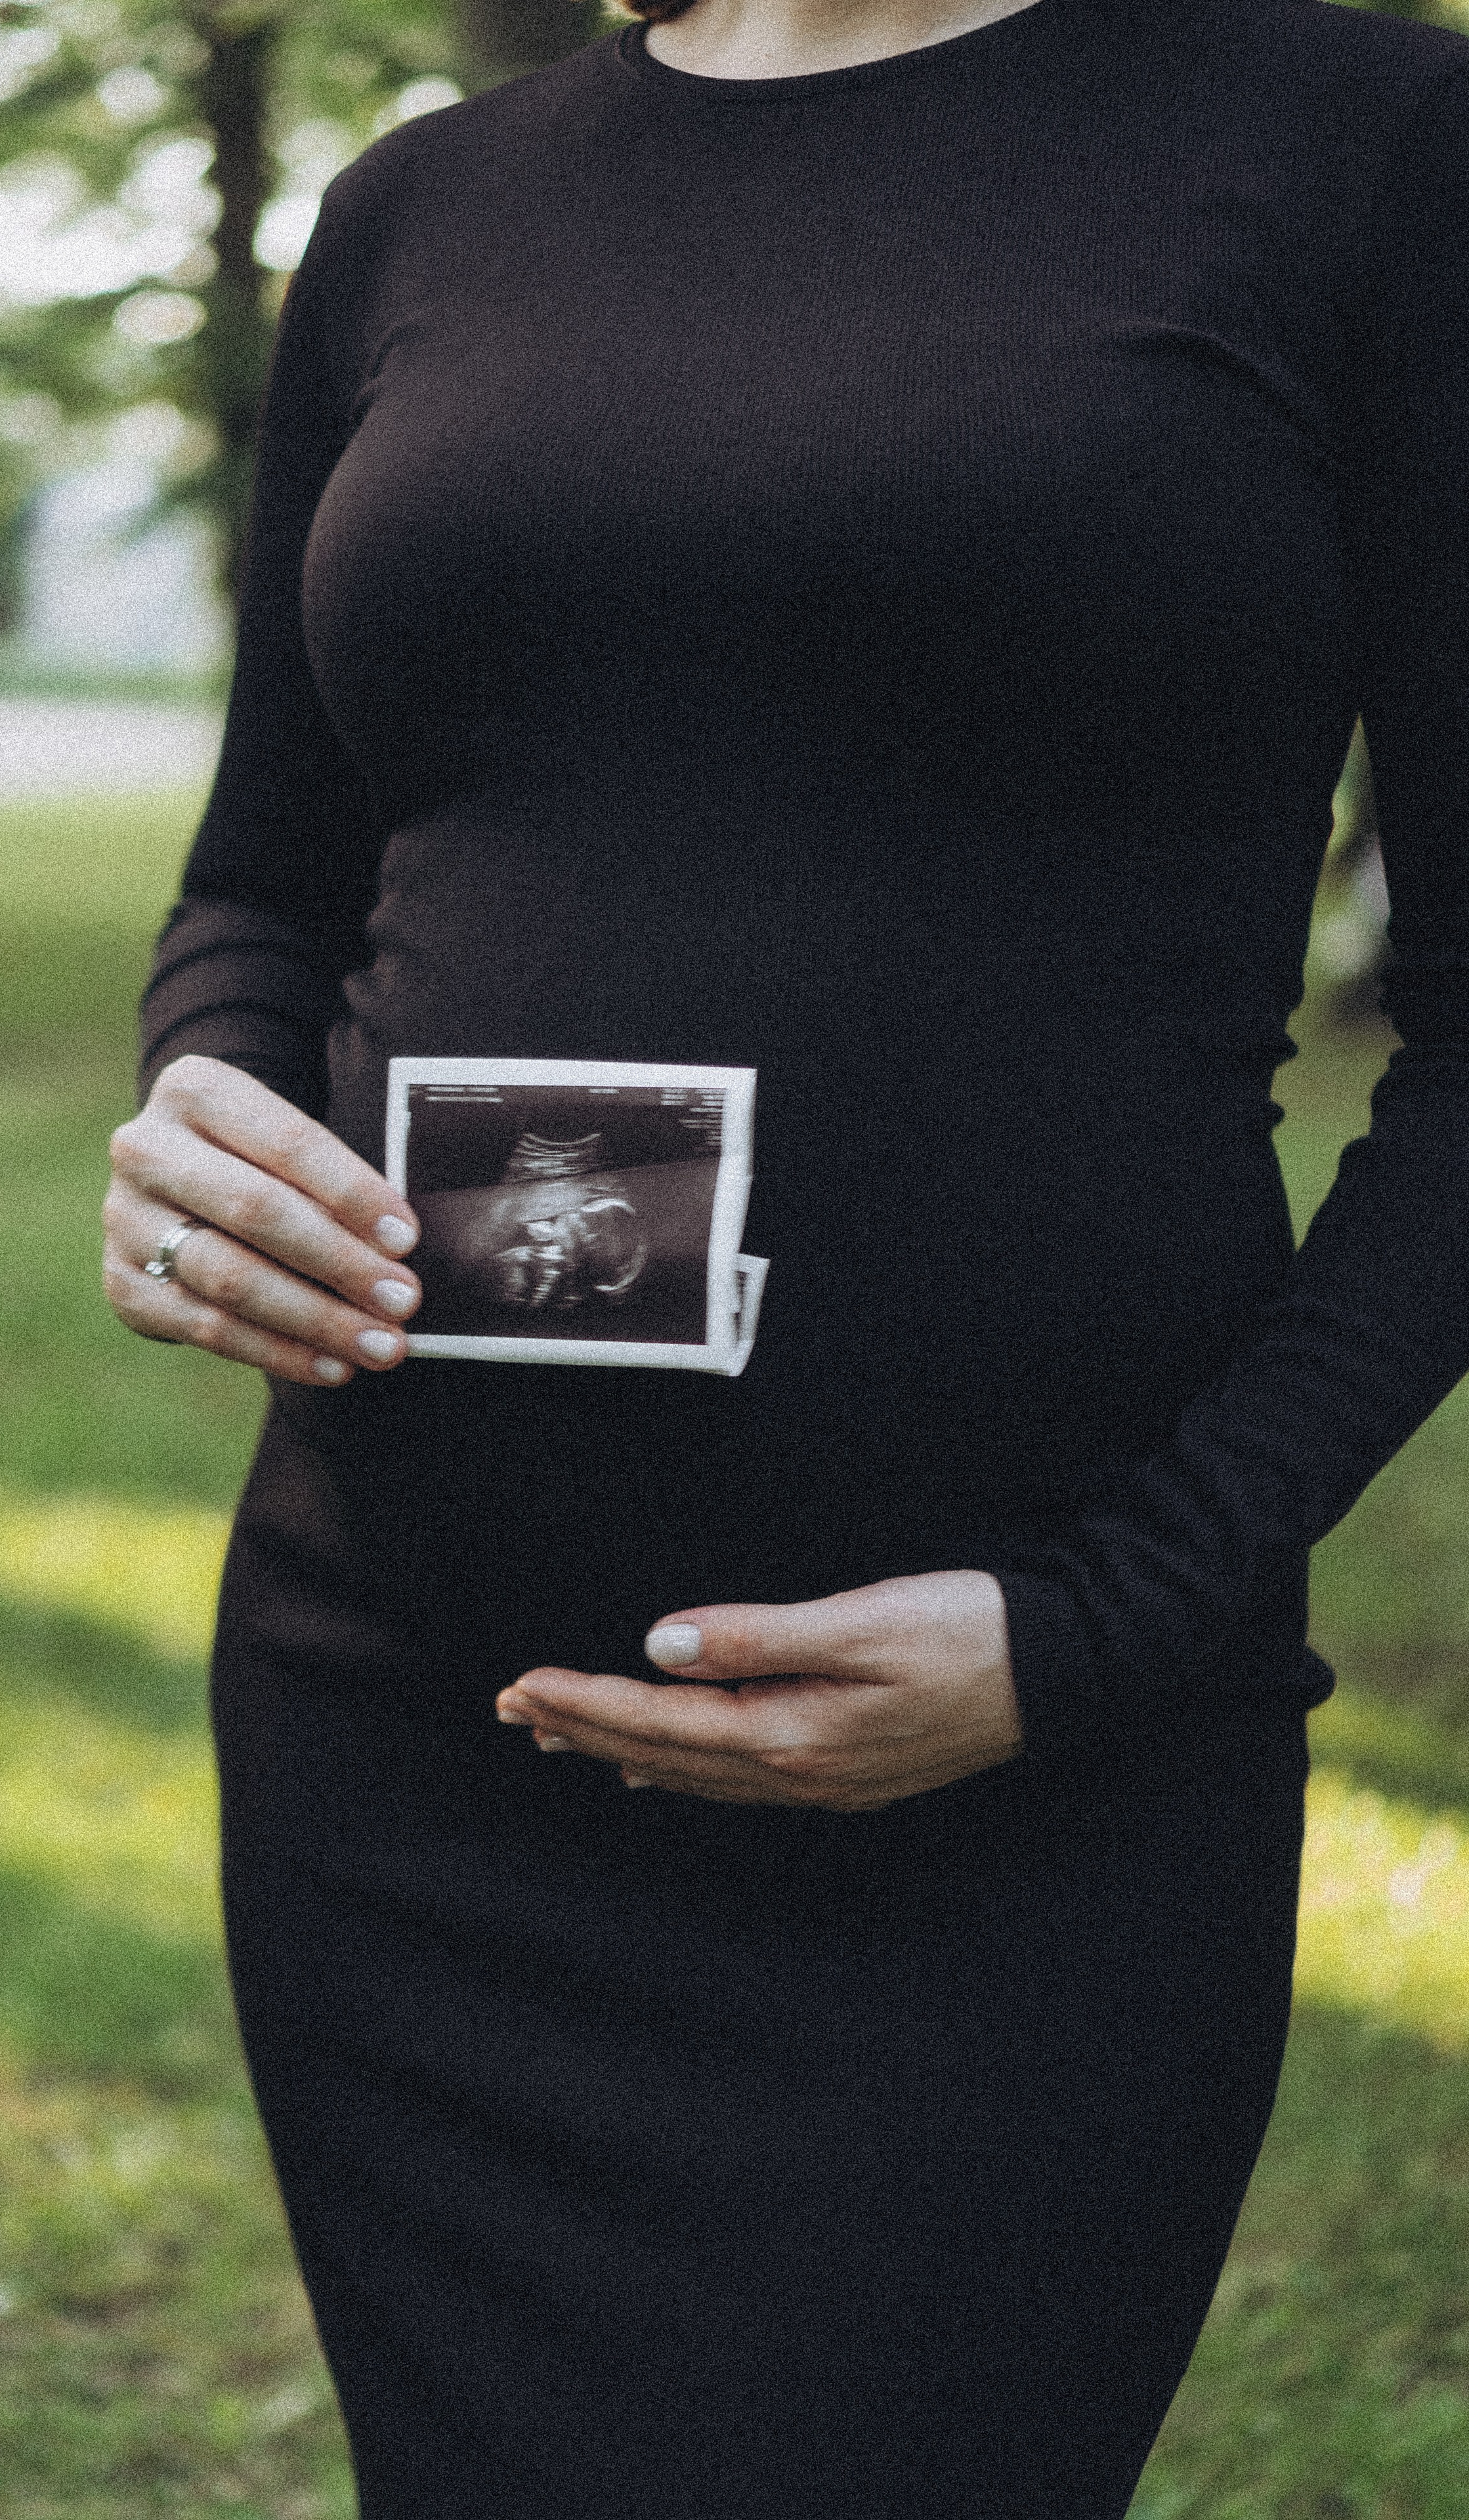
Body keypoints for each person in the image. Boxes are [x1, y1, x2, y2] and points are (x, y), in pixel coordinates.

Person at [100, 0, 1469, 2508]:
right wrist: (210, 1111)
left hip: (1028, 1768)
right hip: (413, 1721)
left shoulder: (1366, 137)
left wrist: (1101, 1624)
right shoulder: (427, 202)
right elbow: (269, 880)